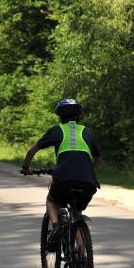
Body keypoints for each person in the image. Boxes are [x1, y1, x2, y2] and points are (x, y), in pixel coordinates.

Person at [21, 99, 102, 250]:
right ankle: (81, 251)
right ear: (78, 117)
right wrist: (87, 172)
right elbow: (98, 160)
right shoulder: (87, 132)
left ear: (60, 117)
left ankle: (57, 227)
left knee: (51, 200)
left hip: (63, 181)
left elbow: (31, 151)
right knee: (76, 214)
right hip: (87, 182)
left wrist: (26, 167)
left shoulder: (56, 130)